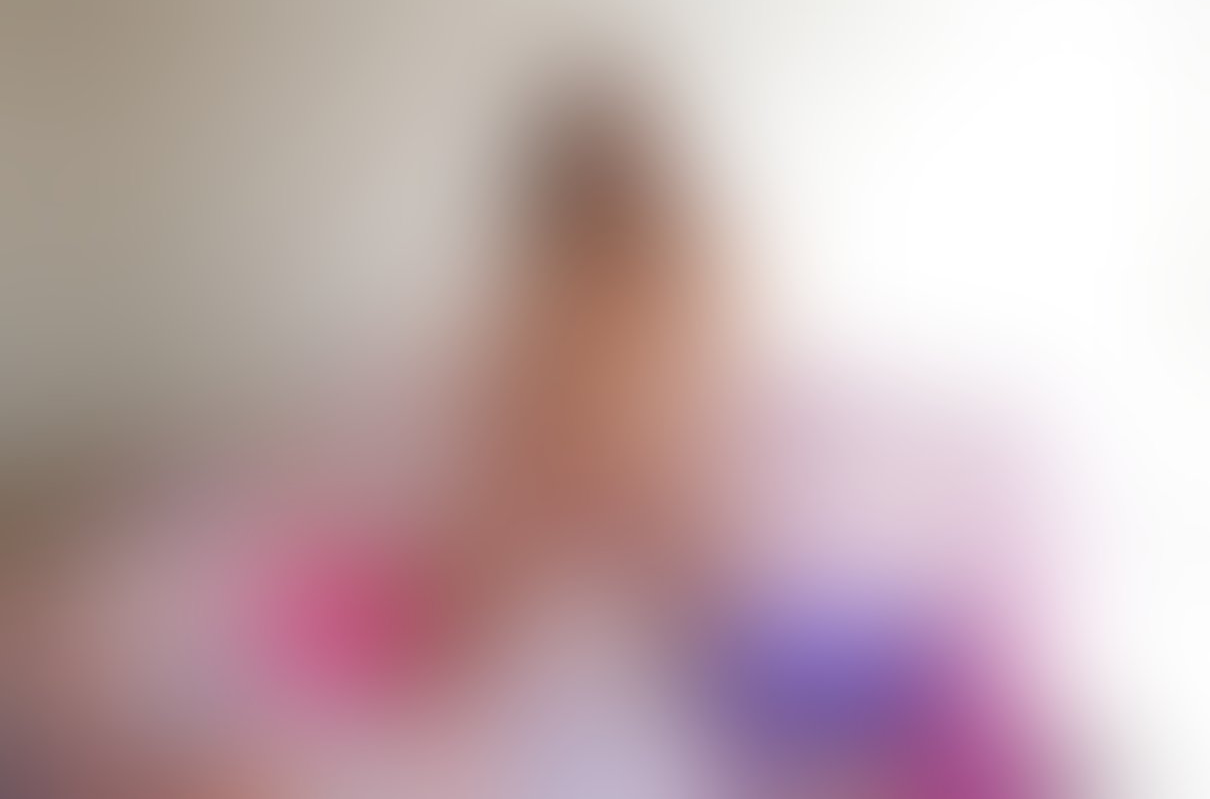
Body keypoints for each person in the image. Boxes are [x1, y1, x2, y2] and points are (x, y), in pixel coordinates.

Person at [26, 75, 1053, 798]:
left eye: (651, 382)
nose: (603, 443)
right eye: (561, 385)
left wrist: (712, 600)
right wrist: (464, 602)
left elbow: (974, 750)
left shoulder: (815, 600)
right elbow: (158, 668)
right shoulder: (401, 556)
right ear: (507, 382)